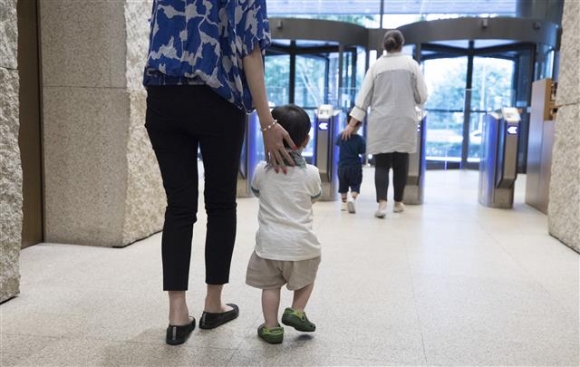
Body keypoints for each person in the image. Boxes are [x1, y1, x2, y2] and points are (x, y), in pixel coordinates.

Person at [143, 0, 297, 346]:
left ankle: (177, 314)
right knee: (221, 204)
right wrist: (267, 122)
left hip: (163, 97)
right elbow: (250, 52)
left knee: (180, 206)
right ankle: (214, 303)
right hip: (217, 99)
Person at [246, 104, 322, 345]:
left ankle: (271, 328)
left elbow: (257, 191)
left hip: (269, 246)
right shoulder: (311, 173)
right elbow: (315, 196)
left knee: (270, 287)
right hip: (302, 245)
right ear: (306, 140)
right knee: (308, 277)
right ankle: (297, 310)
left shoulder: (261, 170)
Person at [342, 30, 428, 218]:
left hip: (381, 121)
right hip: (405, 121)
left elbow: (363, 98)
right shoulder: (411, 65)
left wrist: (352, 124)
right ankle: (398, 202)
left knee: (381, 165)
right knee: (401, 163)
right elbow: (422, 95)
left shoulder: (376, 67)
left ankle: (382, 205)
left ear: (385, 45)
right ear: (401, 44)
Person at [336, 117, 366, 213]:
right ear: (360, 125)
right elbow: (363, 151)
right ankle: (352, 198)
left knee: (343, 187)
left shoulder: (341, 136)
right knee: (355, 186)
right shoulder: (360, 139)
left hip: (342, 167)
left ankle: (344, 204)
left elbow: (336, 143)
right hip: (355, 167)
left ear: (346, 122)